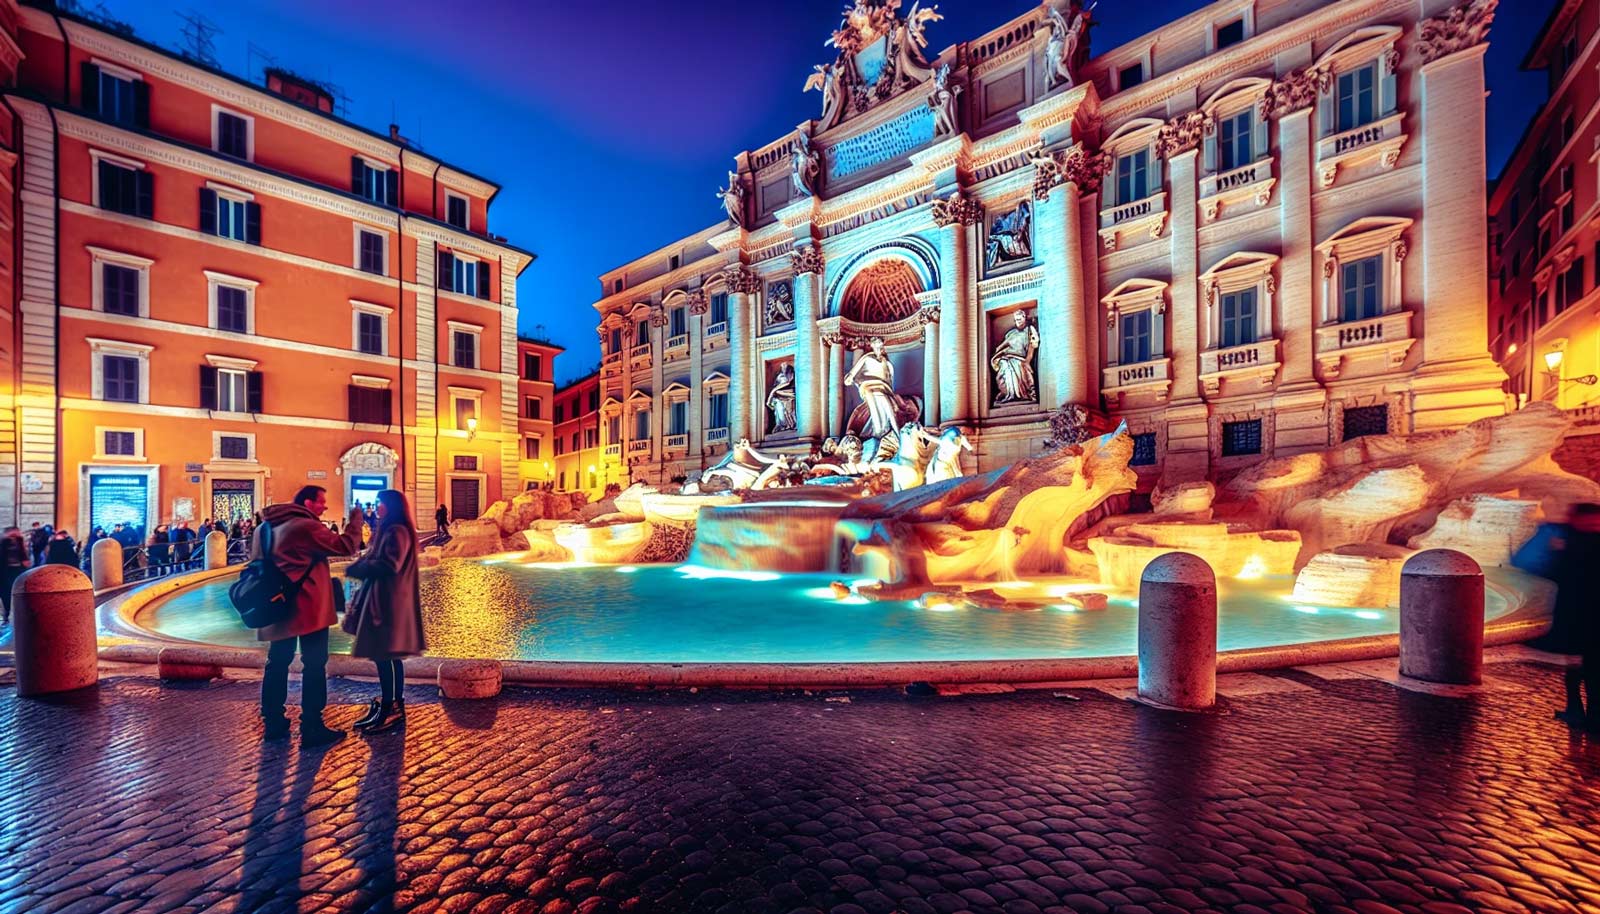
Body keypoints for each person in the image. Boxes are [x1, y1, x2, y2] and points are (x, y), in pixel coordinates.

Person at [254, 485, 364, 746]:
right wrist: (356, 520)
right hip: (307, 607)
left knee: (276, 663)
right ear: (306, 502)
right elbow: (346, 546)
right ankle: (312, 725)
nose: (324, 507)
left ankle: (273, 723)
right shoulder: (305, 526)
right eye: (321, 502)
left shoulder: (264, 528)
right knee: (314, 665)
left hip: (275, 605)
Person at [344, 489, 426, 734]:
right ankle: (393, 706)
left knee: (384, 656)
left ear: (391, 506)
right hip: (390, 599)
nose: (376, 507)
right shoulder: (395, 530)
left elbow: (390, 565)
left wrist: (360, 567)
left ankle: (390, 708)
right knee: (390, 656)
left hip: (387, 601)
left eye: (380, 503)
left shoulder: (396, 531)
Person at [1, 526, 30, 623]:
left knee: (17, 591)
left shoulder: (19, 541)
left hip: (17, 570)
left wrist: (25, 563)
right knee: (6, 592)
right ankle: (8, 613)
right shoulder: (3, 542)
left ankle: (15, 614)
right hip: (5, 571)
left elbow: (24, 555)